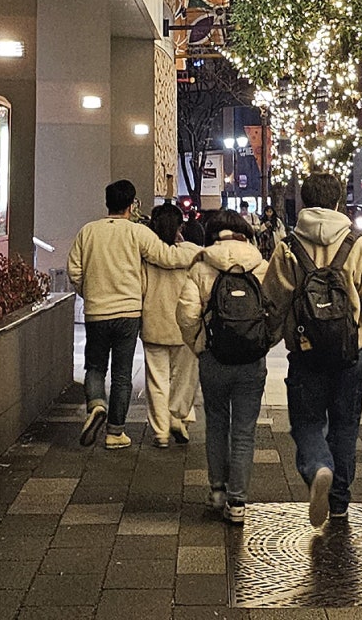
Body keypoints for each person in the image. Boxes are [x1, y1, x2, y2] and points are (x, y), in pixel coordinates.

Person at [262, 170, 362, 527]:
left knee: (307, 423)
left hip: (306, 353)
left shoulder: (287, 248)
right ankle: (339, 501)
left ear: (304, 202)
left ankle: (318, 467)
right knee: (345, 426)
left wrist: (266, 341)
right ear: (339, 202)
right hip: (348, 353)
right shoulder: (358, 246)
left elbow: (274, 303)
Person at [67, 180, 190, 450]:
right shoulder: (137, 233)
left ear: (107, 203)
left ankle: (97, 403)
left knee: (95, 366)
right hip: (128, 312)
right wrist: (196, 256)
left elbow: (74, 270)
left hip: (97, 312)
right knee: (122, 374)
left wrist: (89, 292)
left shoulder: (88, 232)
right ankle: (115, 433)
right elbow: (166, 257)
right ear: (132, 204)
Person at [176, 209, 268, 524]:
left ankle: (217, 491)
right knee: (244, 431)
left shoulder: (202, 267)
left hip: (214, 358)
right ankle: (238, 502)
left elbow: (187, 315)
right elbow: (278, 311)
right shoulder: (261, 266)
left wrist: (199, 345)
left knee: (216, 423)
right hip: (251, 362)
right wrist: (262, 343)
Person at [142, 202, 202, 447]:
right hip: (185, 325)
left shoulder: (147, 256)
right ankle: (179, 417)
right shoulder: (194, 254)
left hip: (154, 323)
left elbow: (141, 288)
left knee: (157, 380)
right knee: (185, 378)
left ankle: (160, 433)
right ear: (180, 226)